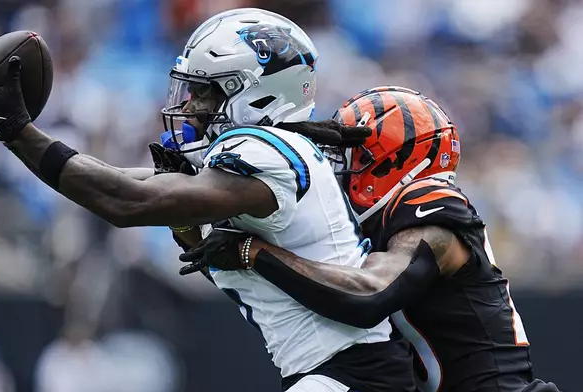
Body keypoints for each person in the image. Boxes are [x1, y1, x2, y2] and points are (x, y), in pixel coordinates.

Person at [0, 9, 416, 392]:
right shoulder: (269, 157)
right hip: (343, 372)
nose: (192, 104)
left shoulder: (268, 154)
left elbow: (124, 199)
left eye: (207, 90)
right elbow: (117, 182)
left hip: (354, 374)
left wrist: (16, 131)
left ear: (256, 93)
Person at [178, 86, 562, 392]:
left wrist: (253, 250)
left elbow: (367, 295)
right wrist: (188, 222)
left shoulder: (431, 216)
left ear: (391, 159)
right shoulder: (379, 226)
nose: (337, 168)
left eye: (351, 155)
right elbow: (273, 279)